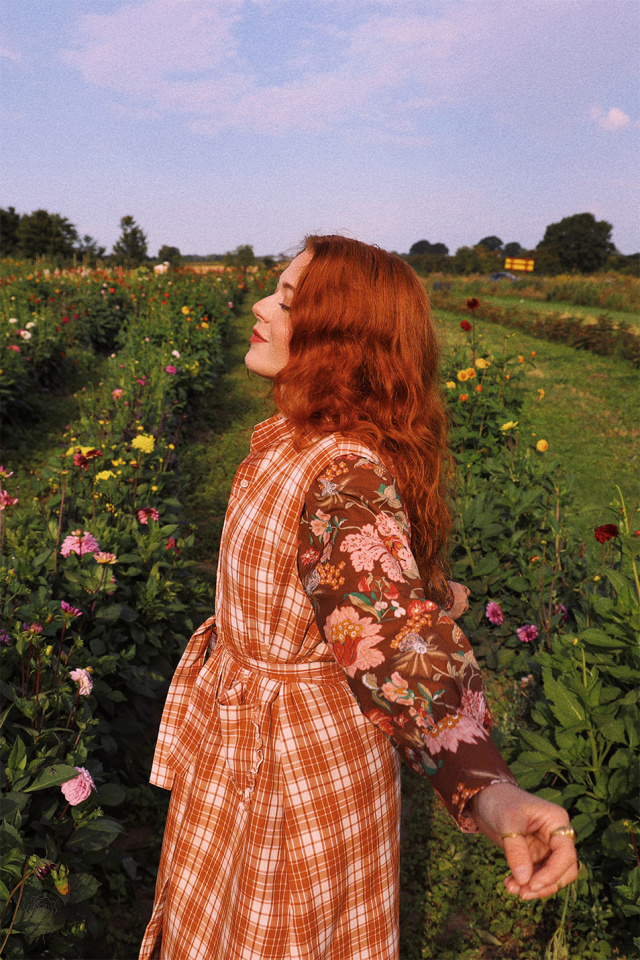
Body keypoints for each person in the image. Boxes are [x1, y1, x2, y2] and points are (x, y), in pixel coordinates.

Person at [139, 236, 578, 960]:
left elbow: (394, 639)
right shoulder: (299, 437)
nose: (259, 306)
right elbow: (353, 575)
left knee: (272, 936)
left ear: (342, 338)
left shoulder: (343, 473)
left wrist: (490, 791)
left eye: (285, 299)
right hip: (250, 733)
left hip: (292, 765)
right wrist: (434, 590)